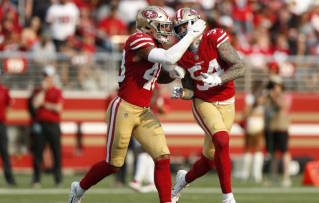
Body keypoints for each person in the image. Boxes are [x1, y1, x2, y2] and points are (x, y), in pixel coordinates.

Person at [68, 6, 206, 203]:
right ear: (147, 27)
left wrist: (173, 74)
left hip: (143, 111)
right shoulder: (137, 39)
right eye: (161, 26)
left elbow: (158, 76)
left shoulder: (155, 43)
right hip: (124, 107)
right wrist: (190, 34)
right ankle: (79, 189)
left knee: (163, 157)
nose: (165, 31)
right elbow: (168, 57)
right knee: (113, 164)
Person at [170, 8, 245, 203]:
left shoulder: (214, 37)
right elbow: (191, 91)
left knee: (211, 159)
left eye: (184, 26)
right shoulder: (181, 53)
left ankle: (184, 179)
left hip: (227, 100)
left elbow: (240, 66)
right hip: (204, 102)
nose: (180, 32)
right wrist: (181, 92)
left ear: (195, 24)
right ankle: (228, 197)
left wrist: (217, 79)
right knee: (222, 140)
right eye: (178, 28)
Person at [31, 65, 63, 187]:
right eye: (45, 76)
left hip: (53, 125)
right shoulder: (38, 91)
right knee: (38, 153)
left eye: (48, 76)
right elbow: (35, 104)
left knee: (56, 153)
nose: (46, 79)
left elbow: (58, 108)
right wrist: (43, 91)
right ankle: (36, 179)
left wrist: (45, 104)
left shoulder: (57, 91)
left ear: (52, 78)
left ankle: (58, 179)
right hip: (40, 125)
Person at [264, 75, 292, 187]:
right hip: (271, 128)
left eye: (276, 86)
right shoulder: (268, 98)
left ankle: (286, 177)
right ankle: (273, 177)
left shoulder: (285, 96)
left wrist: (274, 97)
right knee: (273, 154)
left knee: (284, 152)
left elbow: (283, 106)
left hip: (282, 127)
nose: (274, 88)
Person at [237, 81, 265, 183]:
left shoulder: (250, 97)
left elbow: (246, 111)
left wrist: (242, 120)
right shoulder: (263, 97)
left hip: (251, 123)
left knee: (248, 149)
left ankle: (245, 173)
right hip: (260, 123)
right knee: (258, 149)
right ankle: (257, 174)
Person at [0, 66, 16, 186]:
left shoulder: (4, 90)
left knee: (4, 153)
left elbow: (9, 104)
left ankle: (9, 179)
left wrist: (2, 114)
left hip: (0, 124)